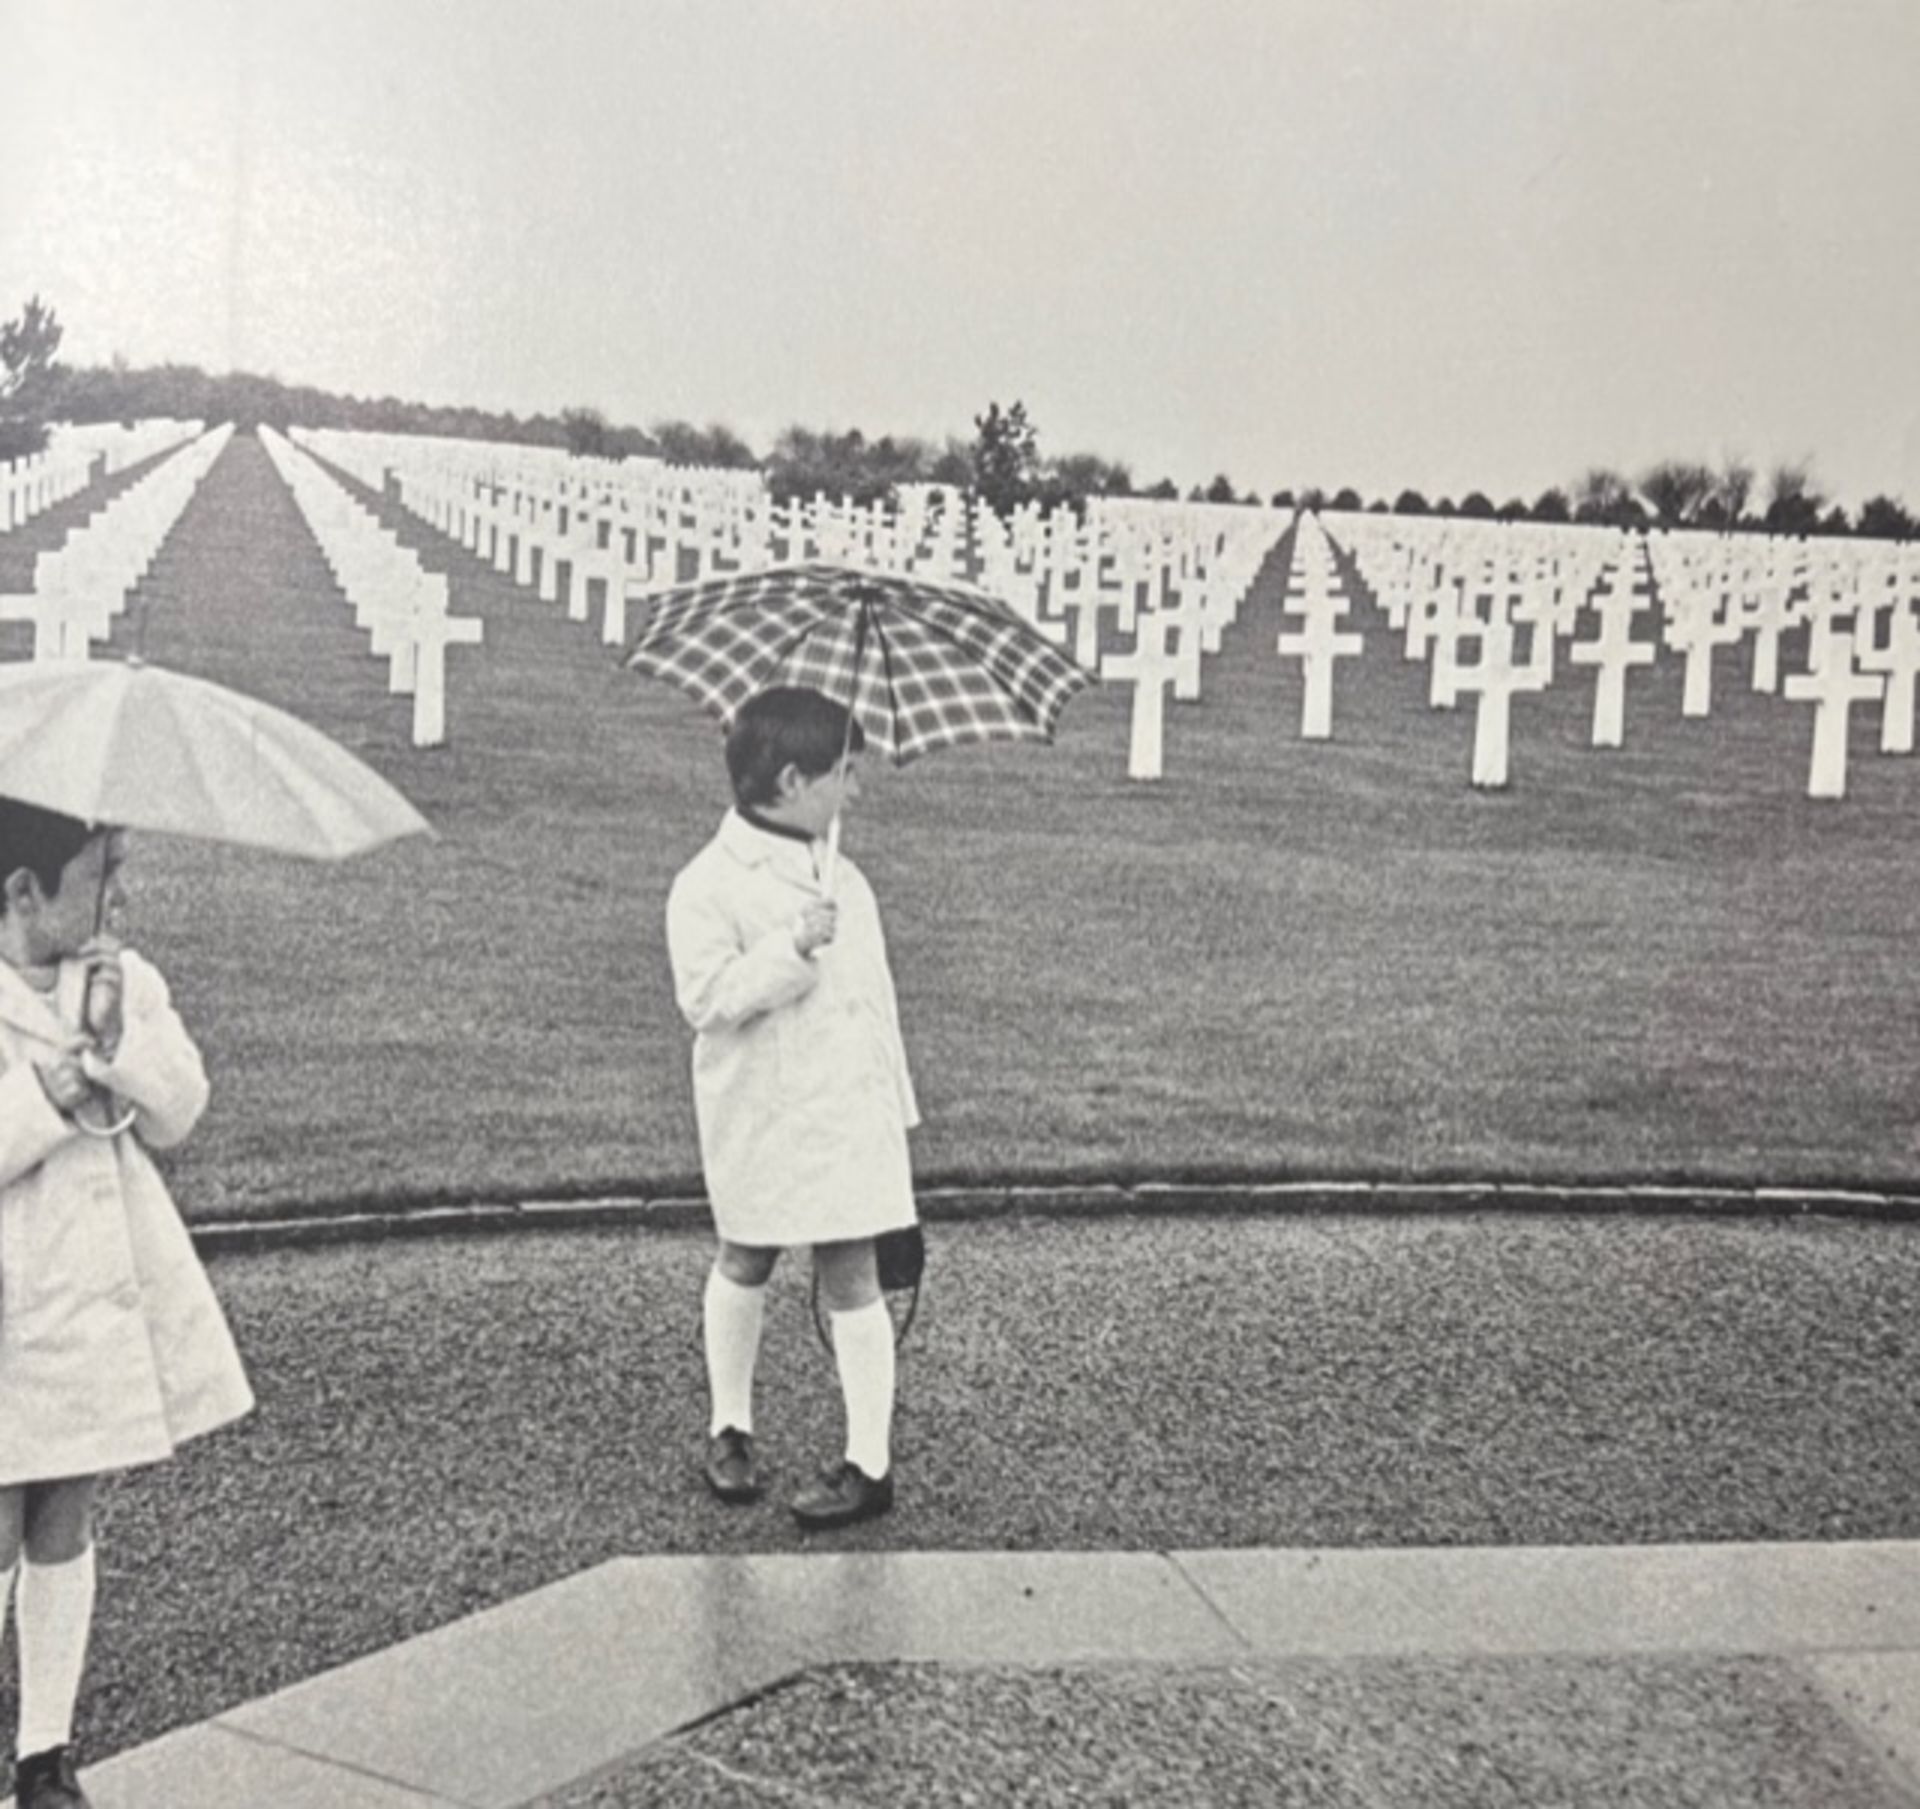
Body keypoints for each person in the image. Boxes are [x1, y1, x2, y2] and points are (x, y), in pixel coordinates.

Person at [0, 800, 253, 1809]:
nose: (120, 896)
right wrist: (51, 1095)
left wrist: (115, 1046)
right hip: (10, 1293)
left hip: (92, 1289)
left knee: (66, 1507)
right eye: (99, 876)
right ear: (24, 894)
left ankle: (45, 1753)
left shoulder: (125, 977)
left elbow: (182, 1108)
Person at [665, 687, 919, 1531]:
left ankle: (869, 1461)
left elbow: (876, 1012)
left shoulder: (847, 877)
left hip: (846, 1113)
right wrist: (790, 947)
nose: (856, 790)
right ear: (787, 781)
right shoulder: (707, 885)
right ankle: (728, 1425)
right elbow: (707, 999)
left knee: (853, 1274)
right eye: (843, 773)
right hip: (762, 1109)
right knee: (747, 1255)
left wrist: (897, 1131)